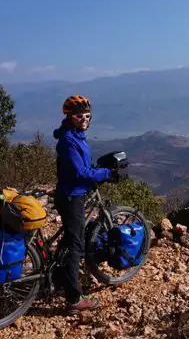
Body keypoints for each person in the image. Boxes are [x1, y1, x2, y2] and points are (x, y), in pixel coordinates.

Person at [53, 94, 115, 314]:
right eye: (80, 115)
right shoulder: (69, 140)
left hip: (71, 194)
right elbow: (80, 172)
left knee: (70, 238)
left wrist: (96, 170)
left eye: (88, 116)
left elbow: (81, 166)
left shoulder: (76, 135)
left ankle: (57, 277)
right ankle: (74, 299)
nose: (85, 119)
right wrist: (105, 173)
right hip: (72, 196)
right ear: (70, 116)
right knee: (76, 246)